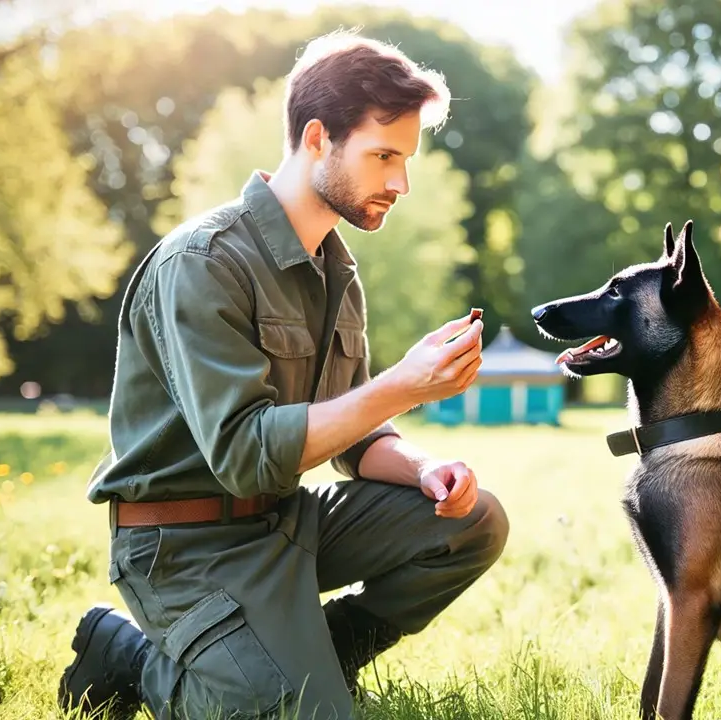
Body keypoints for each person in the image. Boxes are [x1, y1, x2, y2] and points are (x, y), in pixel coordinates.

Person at [58, 30, 509, 720]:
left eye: (406, 159)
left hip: (281, 522)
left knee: (475, 521)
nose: (400, 182)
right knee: (305, 716)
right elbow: (244, 457)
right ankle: (132, 657)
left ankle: (314, 660)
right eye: (384, 155)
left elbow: (356, 439)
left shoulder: (336, 269)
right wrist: (402, 384)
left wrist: (422, 469)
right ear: (320, 139)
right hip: (181, 548)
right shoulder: (203, 263)